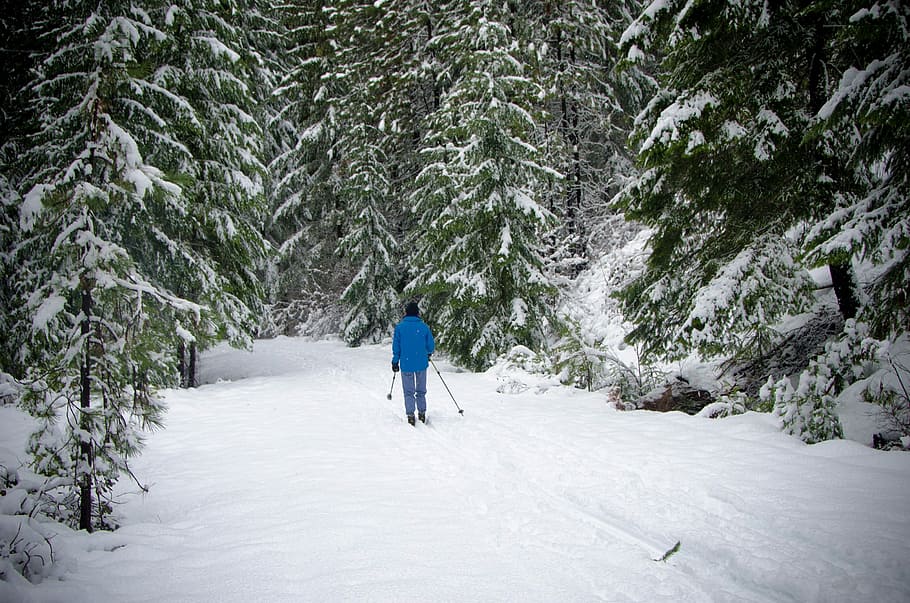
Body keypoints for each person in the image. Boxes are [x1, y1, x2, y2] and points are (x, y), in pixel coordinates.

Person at [391, 301, 435, 425]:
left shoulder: (400, 328)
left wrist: (395, 362)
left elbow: (396, 347)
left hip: (406, 363)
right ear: (417, 313)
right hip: (421, 363)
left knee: (408, 391)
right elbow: (431, 345)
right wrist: (428, 352)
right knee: (421, 390)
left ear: (406, 313)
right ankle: (422, 413)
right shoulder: (424, 327)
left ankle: (410, 415)